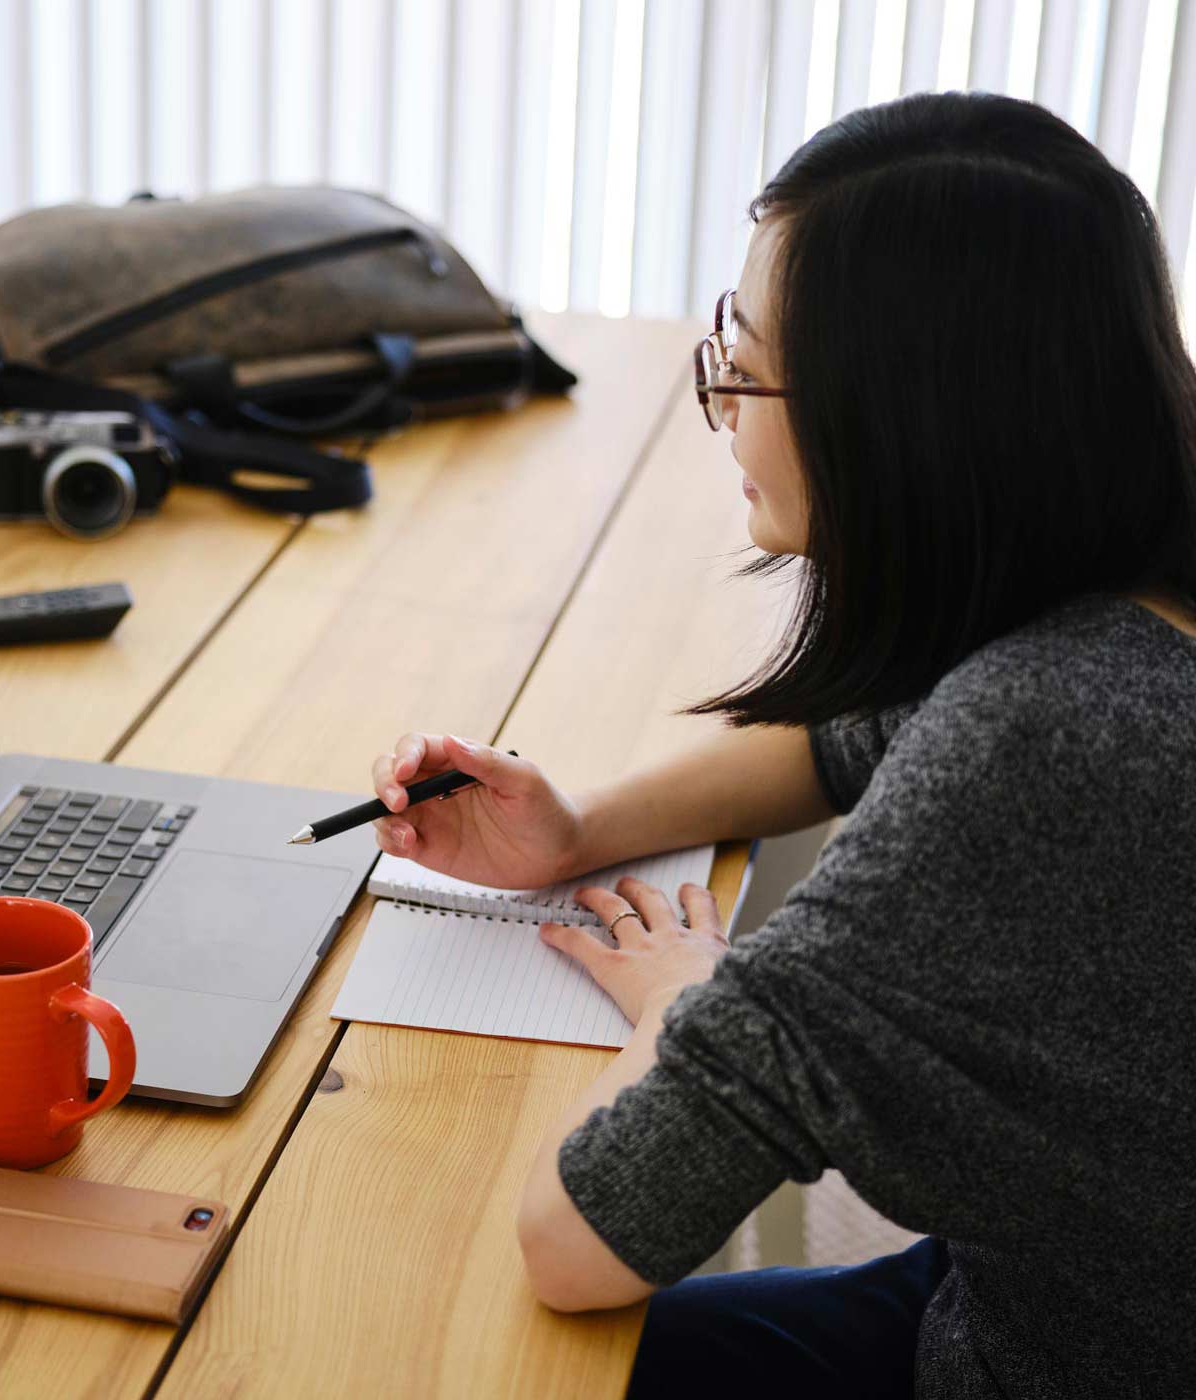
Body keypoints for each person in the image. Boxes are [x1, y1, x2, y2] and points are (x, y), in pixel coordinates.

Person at [369, 91, 1196, 1398]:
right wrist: (576, 832)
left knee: (432, 1341)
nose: (729, 405)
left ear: (907, 421)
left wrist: (689, 1000)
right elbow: (855, 741)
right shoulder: (1131, 591)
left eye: (750, 364)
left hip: (1047, 1359)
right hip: (1065, 1277)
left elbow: (578, 1240)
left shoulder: (1038, 754)